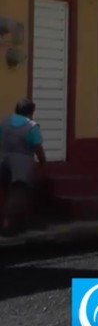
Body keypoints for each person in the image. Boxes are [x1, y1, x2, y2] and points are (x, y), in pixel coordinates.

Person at [0, 98, 46, 236]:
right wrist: (43, 161)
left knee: (4, 191)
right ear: (31, 112)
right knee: (18, 193)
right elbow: (37, 146)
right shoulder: (31, 126)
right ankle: (10, 224)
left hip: (2, 159)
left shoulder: (5, 121)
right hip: (21, 163)